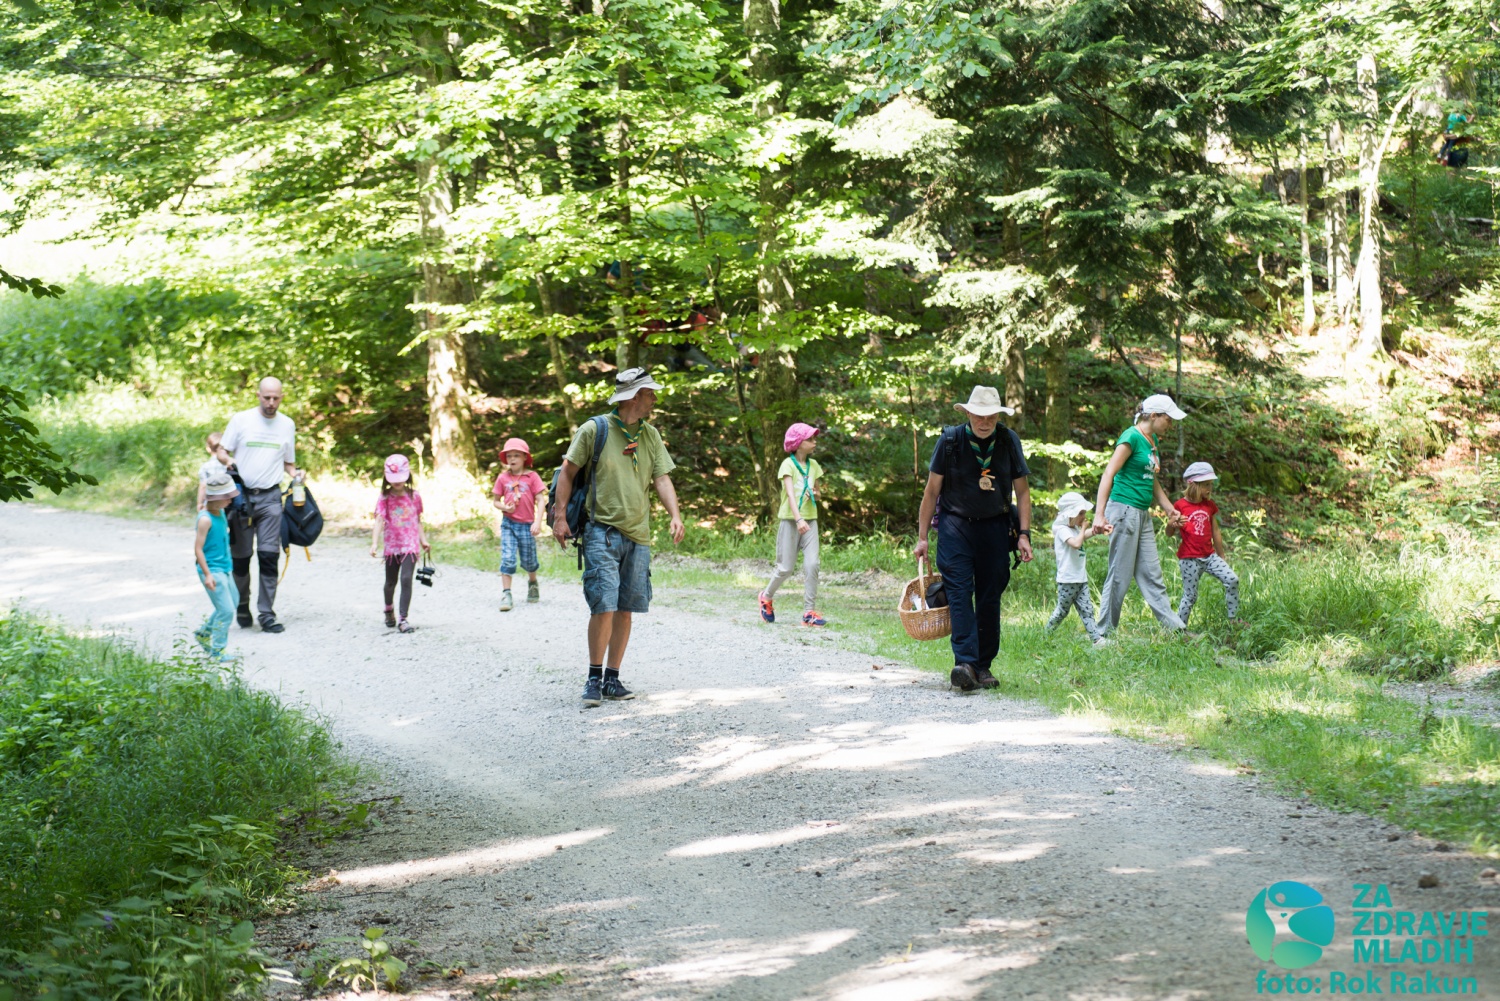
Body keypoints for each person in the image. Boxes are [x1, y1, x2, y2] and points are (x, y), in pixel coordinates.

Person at [551, 368, 686, 707]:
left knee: (625, 608)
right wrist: (558, 518)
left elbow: (662, 479)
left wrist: (675, 516)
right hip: (602, 531)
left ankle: (613, 679)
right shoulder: (594, 430)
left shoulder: (650, 435)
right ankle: (593, 679)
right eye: (649, 392)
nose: (654, 397)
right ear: (632, 397)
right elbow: (567, 472)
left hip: (639, 535)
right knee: (604, 606)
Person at [914, 385, 1034, 692]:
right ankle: (965, 663)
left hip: (995, 528)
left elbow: (1022, 493)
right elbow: (931, 492)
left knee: (989, 596)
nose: (985, 421)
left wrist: (1024, 535)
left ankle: (984, 665)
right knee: (958, 592)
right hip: (955, 527)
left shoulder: (1007, 441)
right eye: (979, 415)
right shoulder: (951, 440)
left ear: (997, 415)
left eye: (991, 415)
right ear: (968, 413)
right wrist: (923, 537)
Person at [1093, 394, 1188, 635]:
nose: (1171, 424)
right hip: (1123, 511)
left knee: (1152, 574)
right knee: (1119, 576)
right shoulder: (1131, 437)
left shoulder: (1151, 439)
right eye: (1168, 419)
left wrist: (1169, 509)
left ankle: (1176, 630)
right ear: (1153, 416)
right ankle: (1103, 634)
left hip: (1142, 515)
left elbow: (1151, 479)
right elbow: (1108, 474)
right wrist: (1099, 515)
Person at [221, 377, 299, 633]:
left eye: (276, 398)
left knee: (269, 557)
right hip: (242, 498)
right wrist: (228, 463)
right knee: (241, 558)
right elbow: (222, 450)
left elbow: (288, 463)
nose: (271, 403)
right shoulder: (241, 420)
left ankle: (267, 614)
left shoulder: (287, 425)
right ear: (258, 395)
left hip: (271, 498)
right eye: (266, 397)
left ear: (282, 396)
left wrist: (296, 475)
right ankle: (242, 604)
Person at [758, 422, 827, 627]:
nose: (814, 443)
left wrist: (815, 493)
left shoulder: (814, 466)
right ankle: (766, 596)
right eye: (810, 439)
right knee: (785, 568)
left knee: (812, 564)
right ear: (798, 443)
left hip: (811, 520)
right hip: (791, 521)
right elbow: (789, 494)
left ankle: (809, 612)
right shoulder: (787, 465)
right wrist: (798, 520)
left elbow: (819, 492)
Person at [1172, 461, 1239, 626]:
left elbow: (1215, 531)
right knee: (1190, 596)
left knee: (1232, 579)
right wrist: (1171, 524)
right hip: (1189, 559)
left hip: (1209, 556)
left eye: (1211, 484)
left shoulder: (1209, 505)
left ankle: (1233, 620)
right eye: (1206, 484)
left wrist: (1221, 554)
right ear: (1194, 485)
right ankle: (1179, 629)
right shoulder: (1180, 505)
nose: (1210, 488)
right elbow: (1169, 532)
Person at [371, 454, 428, 633]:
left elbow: (417, 520)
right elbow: (379, 521)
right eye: (393, 479)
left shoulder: (415, 496)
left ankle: (403, 619)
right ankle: (388, 609)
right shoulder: (384, 498)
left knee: (406, 579)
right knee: (390, 582)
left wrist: (423, 540)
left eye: (400, 479)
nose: (397, 482)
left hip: (410, 545)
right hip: (391, 547)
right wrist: (374, 543)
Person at [1046, 491, 1110, 646]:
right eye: (1080, 513)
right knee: (1062, 611)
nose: (1083, 517)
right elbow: (1075, 543)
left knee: (1087, 610)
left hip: (1080, 579)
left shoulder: (1074, 528)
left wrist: (1097, 530)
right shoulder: (1062, 530)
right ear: (1070, 514)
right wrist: (1082, 530)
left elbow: (1084, 535)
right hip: (1068, 580)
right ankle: (1046, 634)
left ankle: (1096, 639)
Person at [492, 437, 548, 611]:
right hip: (508, 523)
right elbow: (495, 500)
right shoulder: (503, 478)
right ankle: (506, 593)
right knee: (507, 558)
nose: (513, 459)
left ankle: (532, 582)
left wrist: (538, 522)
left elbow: (541, 500)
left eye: (517, 455)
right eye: (509, 456)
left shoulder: (532, 477)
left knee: (529, 560)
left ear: (525, 458)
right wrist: (504, 508)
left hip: (527, 524)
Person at [193, 472, 240, 661]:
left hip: (224, 567)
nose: (230, 501)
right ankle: (218, 650)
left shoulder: (219, 512)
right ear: (217, 499)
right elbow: (198, 550)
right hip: (212, 569)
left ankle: (204, 633)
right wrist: (207, 575)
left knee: (233, 602)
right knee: (226, 610)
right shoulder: (205, 519)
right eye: (227, 497)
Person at [195, 432, 230, 510]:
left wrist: (200, 503)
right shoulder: (229, 464)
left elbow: (203, 486)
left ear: (208, 448)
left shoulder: (205, 467)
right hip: (227, 503)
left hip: (211, 504)